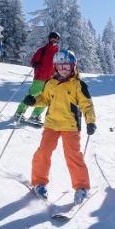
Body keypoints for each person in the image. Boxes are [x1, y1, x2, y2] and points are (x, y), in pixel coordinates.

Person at [22, 49, 96, 203]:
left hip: (70, 126)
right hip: (51, 125)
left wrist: (91, 121)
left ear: (73, 66)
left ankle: (82, 187)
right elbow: (44, 98)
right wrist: (34, 101)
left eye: (67, 66)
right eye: (60, 65)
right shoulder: (50, 83)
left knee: (73, 156)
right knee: (43, 152)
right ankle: (39, 183)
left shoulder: (78, 85)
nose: (64, 69)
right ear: (55, 66)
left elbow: (87, 105)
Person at [12, 32, 61, 126]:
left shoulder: (58, 54)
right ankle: (19, 112)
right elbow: (33, 61)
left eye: (56, 40)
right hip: (39, 77)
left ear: (58, 41)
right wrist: (35, 64)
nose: (53, 41)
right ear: (49, 39)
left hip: (50, 80)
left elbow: (59, 66)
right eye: (52, 39)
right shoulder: (42, 50)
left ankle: (35, 115)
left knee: (46, 98)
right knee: (31, 96)